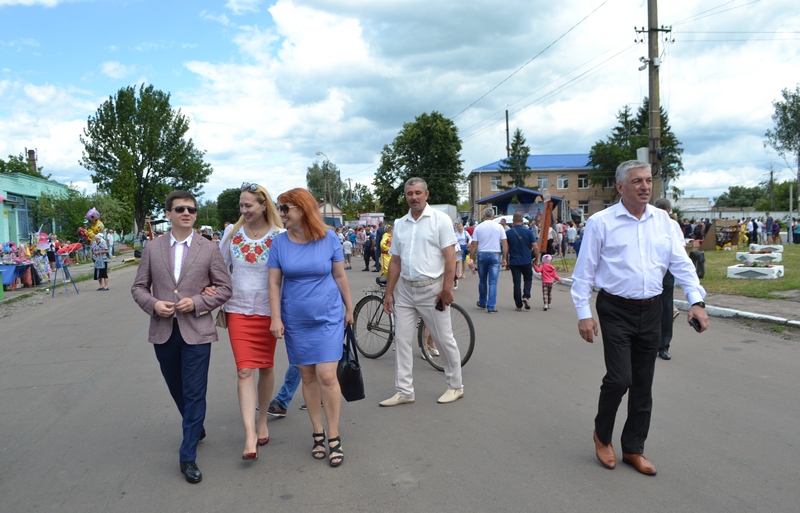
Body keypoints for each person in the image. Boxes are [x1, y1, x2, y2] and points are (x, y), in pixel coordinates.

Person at [571, 161, 709, 476]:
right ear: (620, 187)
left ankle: (633, 448)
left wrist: (696, 301)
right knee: (620, 378)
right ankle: (601, 436)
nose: (645, 186)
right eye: (637, 181)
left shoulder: (664, 222)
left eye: (648, 180)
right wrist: (584, 313)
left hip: (653, 309)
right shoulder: (601, 223)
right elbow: (584, 272)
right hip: (615, 309)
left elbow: (682, 264)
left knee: (643, 384)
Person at [131, 190, 232, 484]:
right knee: (177, 389)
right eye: (179, 209)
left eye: (191, 209)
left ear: (196, 214)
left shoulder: (208, 248)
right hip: (164, 332)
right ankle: (195, 425)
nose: (186, 213)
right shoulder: (153, 248)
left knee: (194, 393)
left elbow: (225, 288)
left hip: (197, 331)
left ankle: (187, 456)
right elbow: (138, 288)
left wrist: (198, 302)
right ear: (169, 214)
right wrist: (153, 304)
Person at [267, 188, 354, 468]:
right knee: (307, 377)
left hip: (328, 316)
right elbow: (274, 283)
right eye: (280, 208)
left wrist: (349, 308)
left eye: (285, 208)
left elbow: (339, 275)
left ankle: (334, 435)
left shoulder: (329, 238)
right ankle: (317, 431)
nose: (281, 214)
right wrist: (276, 318)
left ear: (302, 209)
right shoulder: (279, 244)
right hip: (296, 318)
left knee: (327, 375)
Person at [379, 177, 463, 407]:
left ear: (427, 194)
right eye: (409, 193)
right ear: (405, 196)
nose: (414, 197)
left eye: (418, 193)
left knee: (443, 339)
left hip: (433, 289)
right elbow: (395, 261)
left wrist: (446, 289)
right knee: (402, 339)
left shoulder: (440, 220)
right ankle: (404, 390)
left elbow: (450, 256)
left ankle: (455, 386)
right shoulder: (401, 223)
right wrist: (389, 293)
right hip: (406, 290)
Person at [218, 182, 284, 461]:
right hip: (238, 311)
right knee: (244, 371)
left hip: (269, 313)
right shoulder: (231, 235)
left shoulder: (280, 236)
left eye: (249, 205)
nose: (244, 210)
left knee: (266, 368)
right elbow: (219, 268)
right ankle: (249, 435)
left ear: (263, 205)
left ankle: (261, 421)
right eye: (241, 206)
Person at [654, 198, 684, 361]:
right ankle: (650, 344)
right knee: (650, 309)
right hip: (651, 271)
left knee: (666, 309)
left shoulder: (673, 226)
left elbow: (680, 250)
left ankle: (664, 346)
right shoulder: (647, 225)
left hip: (666, 272)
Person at [469, 208, 508, 313]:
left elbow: (474, 245)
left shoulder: (478, 227)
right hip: (495, 254)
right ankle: (491, 306)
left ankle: (482, 301)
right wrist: (504, 258)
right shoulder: (499, 227)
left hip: (482, 254)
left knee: (482, 280)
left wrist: (471, 257)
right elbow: (505, 244)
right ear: (493, 215)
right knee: (493, 282)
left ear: (484, 216)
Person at [505, 212, 536, 311]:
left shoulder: (509, 233)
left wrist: (506, 260)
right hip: (527, 260)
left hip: (514, 261)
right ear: (522, 221)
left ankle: (518, 305)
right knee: (528, 279)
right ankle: (526, 296)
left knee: (516, 283)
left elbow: (506, 248)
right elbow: (535, 247)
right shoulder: (529, 232)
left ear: (513, 221)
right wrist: (537, 259)